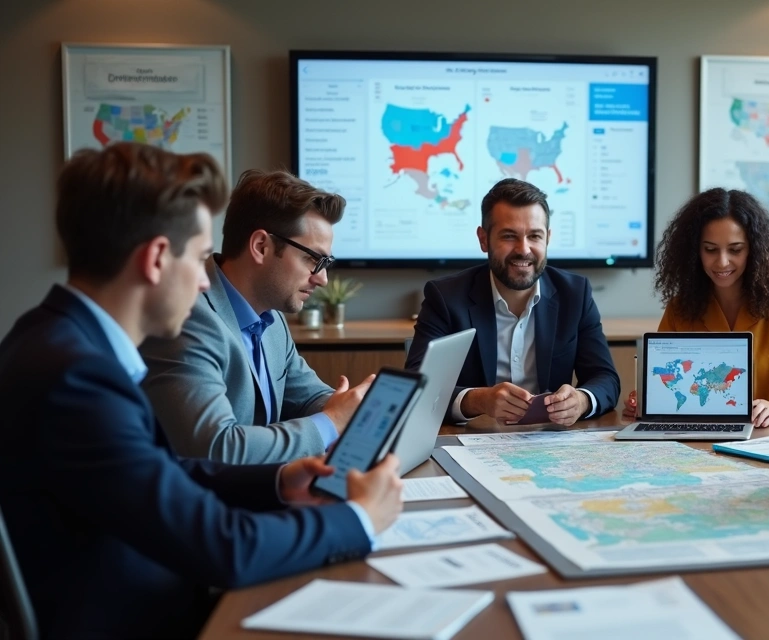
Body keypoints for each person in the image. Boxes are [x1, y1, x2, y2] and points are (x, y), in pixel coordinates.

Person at [0, 143, 403, 638]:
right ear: (155, 260)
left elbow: (156, 469)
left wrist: (277, 481)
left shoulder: (55, 339)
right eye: (196, 259)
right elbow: (223, 548)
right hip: (139, 616)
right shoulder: (77, 378)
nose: (203, 283)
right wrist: (360, 520)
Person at [140, 169, 373, 464]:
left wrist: (359, 411)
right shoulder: (186, 318)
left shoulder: (271, 317)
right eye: (313, 259)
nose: (323, 279)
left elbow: (305, 396)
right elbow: (215, 448)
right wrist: (332, 421)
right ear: (261, 247)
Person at [405, 178, 620, 425]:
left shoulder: (575, 294)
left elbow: (606, 379)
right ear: (483, 239)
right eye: (509, 236)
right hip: (473, 438)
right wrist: (478, 400)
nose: (524, 249)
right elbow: (417, 386)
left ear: (547, 238)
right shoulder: (445, 297)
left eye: (535, 236)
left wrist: (581, 400)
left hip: (550, 442)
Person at [625, 188, 769, 428]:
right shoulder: (680, 308)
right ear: (695, 251)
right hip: (696, 441)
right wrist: (644, 401)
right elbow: (668, 383)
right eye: (710, 249)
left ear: (755, 250)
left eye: (736, 249)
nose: (722, 262)